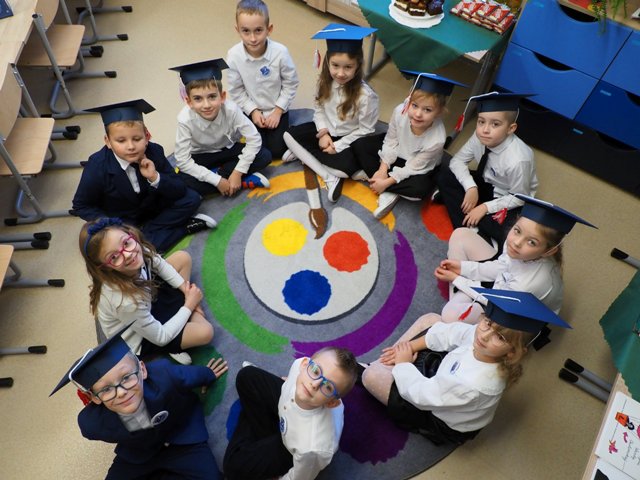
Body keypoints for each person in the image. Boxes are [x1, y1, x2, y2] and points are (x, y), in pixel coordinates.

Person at [361, 288, 571, 445]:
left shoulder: (472, 384)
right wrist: (411, 347)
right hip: (445, 377)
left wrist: (403, 364)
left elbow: (421, 395)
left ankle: (380, 366)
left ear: (512, 352)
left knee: (370, 376)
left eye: (500, 337)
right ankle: (390, 359)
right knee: (432, 320)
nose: (485, 336)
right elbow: (453, 333)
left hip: (439, 417)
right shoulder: (484, 340)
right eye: (488, 323)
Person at [50, 327, 228, 480]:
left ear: (142, 369)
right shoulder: (93, 424)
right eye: (106, 389)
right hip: (139, 455)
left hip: (182, 438)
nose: (121, 392)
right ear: (95, 398)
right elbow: (89, 426)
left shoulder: (164, 375)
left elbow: (187, 376)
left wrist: (209, 374)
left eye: (126, 377)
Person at [71, 99, 216, 253]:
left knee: (191, 198)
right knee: (124, 250)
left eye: (137, 139)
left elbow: (179, 189)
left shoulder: (154, 151)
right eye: (121, 141)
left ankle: (145, 236)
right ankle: (183, 228)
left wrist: (155, 177)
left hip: (153, 207)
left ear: (147, 136)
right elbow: (81, 206)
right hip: (123, 220)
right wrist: (113, 225)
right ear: (108, 141)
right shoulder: (97, 167)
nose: (131, 146)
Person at [434, 194, 596, 326]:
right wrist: (463, 268)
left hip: (510, 313)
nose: (517, 242)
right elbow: (501, 267)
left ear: (549, 251)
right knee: (460, 235)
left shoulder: (530, 284)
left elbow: (498, 302)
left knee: (449, 315)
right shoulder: (517, 246)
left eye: (532, 242)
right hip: (503, 285)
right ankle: (460, 299)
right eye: (517, 230)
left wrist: (457, 279)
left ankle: (458, 304)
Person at [79, 217, 214, 366]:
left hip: (146, 297)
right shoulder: (124, 302)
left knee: (183, 258)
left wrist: (186, 291)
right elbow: (160, 337)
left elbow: (159, 264)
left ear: (130, 234)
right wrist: (190, 305)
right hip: (142, 336)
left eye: (126, 243)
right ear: (104, 268)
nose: (128, 254)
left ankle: (182, 314)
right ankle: (174, 341)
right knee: (205, 332)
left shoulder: (134, 247)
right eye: (114, 257)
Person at [223, 347, 358, 480]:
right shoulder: (299, 366)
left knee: (232, 467)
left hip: (292, 447)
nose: (314, 384)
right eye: (316, 371)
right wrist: (290, 381)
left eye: (328, 387)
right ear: (305, 363)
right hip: (289, 405)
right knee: (246, 376)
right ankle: (264, 438)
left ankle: (261, 441)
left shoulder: (311, 449)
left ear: (331, 403)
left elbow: (299, 477)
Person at [283, 23, 379, 203]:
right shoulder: (324, 82)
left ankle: (307, 156)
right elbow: (318, 110)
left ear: (358, 66)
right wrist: (323, 133)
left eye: (348, 67)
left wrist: (337, 146)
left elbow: (366, 130)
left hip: (348, 139)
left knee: (343, 169)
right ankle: (327, 176)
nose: (340, 73)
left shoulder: (366, 96)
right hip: (325, 131)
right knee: (287, 135)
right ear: (327, 62)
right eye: (335, 65)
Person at [351, 71, 466, 219]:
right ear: (408, 101)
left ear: (439, 112)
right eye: (415, 105)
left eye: (427, 110)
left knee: (420, 190)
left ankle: (382, 185)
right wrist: (382, 169)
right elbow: (391, 140)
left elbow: (414, 167)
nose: (418, 114)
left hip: (416, 165)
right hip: (396, 150)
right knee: (360, 145)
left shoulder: (437, 139)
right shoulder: (400, 111)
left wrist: (387, 182)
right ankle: (381, 180)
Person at [436, 92, 538, 248]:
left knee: (509, 234)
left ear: (511, 128)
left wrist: (485, 208)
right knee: (444, 175)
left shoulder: (518, 160)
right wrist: (471, 187)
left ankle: (467, 219)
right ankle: (469, 228)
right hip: (485, 181)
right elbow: (458, 161)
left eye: (495, 124)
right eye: (481, 121)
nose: (485, 129)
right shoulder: (480, 136)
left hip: (506, 195)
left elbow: (519, 197)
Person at [171, 58, 272, 197]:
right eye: (198, 99)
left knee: (264, 155)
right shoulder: (184, 119)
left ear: (222, 96)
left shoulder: (231, 109)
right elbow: (182, 160)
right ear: (189, 102)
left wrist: (238, 172)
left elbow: (254, 139)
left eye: (212, 96)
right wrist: (216, 181)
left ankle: (231, 177)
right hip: (202, 155)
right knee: (181, 180)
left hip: (228, 149)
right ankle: (239, 180)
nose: (206, 105)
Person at [227, 0, 299, 158]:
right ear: (237, 30)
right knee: (258, 150)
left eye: (258, 30)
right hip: (252, 110)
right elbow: (236, 90)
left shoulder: (281, 52)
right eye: (246, 31)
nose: (252, 38)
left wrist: (278, 111)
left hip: (277, 109)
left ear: (269, 29)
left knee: (277, 151)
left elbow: (291, 83)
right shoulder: (233, 55)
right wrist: (253, 111)